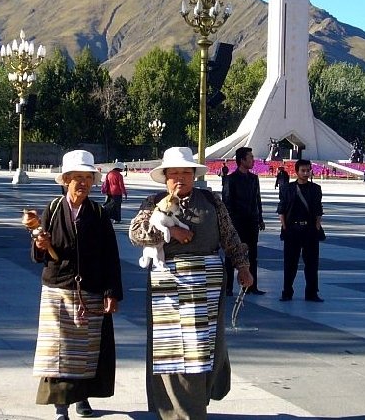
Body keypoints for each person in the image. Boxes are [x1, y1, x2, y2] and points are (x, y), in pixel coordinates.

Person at [129, 146, 253, 420]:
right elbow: (136, 234)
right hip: (168, 289)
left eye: (186, 172)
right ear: (165, 177)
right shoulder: (153, 202)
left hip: (206, 287)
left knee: (203, 348)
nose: (181, 178)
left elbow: (230, 238)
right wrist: (168, 231)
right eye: (174, 173)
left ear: (194, 175)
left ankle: (196, 403)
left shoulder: (211, 202)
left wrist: (243, 267)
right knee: (171, 350)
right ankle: (177, 410)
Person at [31, 150, 123, 420]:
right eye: (76, 178)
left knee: (87, 350)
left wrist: (111, 292)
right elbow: (40, 252)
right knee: (59, 350)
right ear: (66, 180)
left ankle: (83, 397)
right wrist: (40, 245)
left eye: (87, 177)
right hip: (58, 289)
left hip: (90, 289)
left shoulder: (97, 212)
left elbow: (110, 255)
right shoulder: (53, 208)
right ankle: (61, 406)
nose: (81, 183)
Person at [277, 159, 325, 302]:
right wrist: (284, 227)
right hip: (292, 230)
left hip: (309, 230)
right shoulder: (288, 188)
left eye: (308, 170)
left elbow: (318, 211)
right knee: (290, 263)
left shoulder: (315, 189)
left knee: (311, 263)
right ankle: (287, 292)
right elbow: (282, 210)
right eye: (303, 170)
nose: (305, 173)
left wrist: (316, 227)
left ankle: (311, 292)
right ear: (296, 172)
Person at [222, 146, 266, 295]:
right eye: (251, 157)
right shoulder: (230, 179)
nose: (253, 160)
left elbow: (257, 199)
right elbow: (226, 202)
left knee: (252, 255)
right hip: (236, 223)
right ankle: (228, 287)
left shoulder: (254, 179)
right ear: (242, 160)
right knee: (232, 254)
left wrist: (260, 218)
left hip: (251, 222)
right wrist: (229, 222)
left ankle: (251, 286)